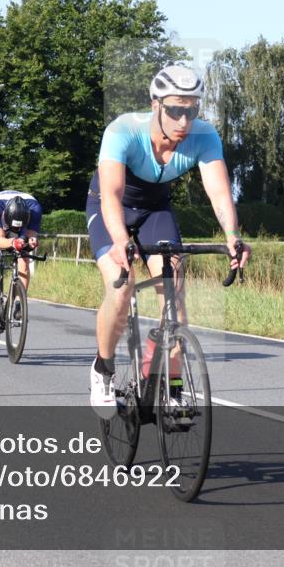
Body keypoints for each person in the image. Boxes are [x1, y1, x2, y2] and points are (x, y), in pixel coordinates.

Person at [86, 65, 250, 418]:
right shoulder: (123, 130)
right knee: (122, 284)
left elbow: (219, 192)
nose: (184, 120)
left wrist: (232, 236)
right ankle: (103, 369)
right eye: (176, 109)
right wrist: (119, 241)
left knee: (174, 294)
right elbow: (111, 194)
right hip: (110, 205)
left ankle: (171, 386)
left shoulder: (205, 136)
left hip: (155, 209)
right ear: (155, 104)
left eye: (192, 110)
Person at [0, 191, 43, 330]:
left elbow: (30, 238)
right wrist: (13, 242)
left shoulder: (35, 210)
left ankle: (18, 304)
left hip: (23, 218)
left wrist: (31, 242)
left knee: (24, 261)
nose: (16, 229)